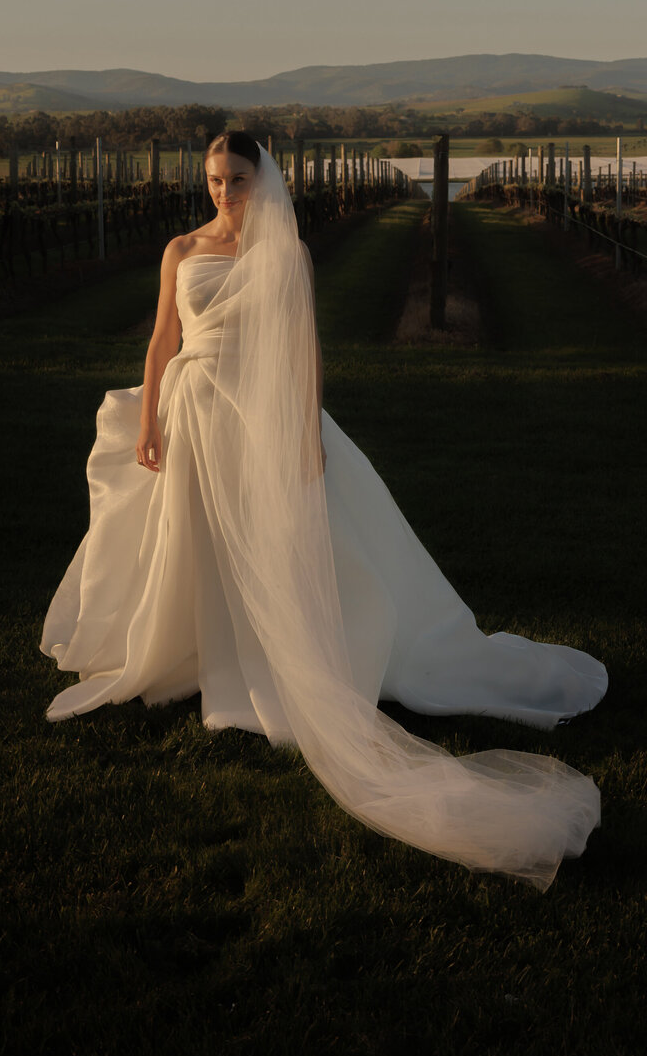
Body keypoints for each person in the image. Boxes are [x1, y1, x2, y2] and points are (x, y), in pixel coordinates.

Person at [42, 131, 604, 890]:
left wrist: (304, 431)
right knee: (195, 540)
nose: (224, 194)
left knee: (285, 543)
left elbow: (303, 351)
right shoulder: (180, 250)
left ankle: (283, 654)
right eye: (214, 181)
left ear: (261, 179)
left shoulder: (288, 256)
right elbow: (161, 341)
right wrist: (148, 422)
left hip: (259, 415)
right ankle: (196, 648)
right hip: (192, 411)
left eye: (237, 180)